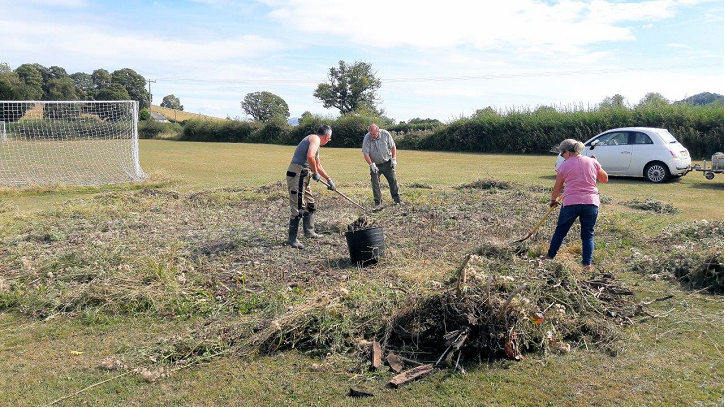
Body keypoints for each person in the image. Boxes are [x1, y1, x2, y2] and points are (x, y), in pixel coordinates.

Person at [545, 139, 609, 269]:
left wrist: (553, 200)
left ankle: (550, 256)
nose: (562, 156)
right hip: (591, 203)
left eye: (562, 154)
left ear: (568, 152)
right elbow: (604, 179)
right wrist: (596, 164)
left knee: (560, 231)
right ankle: (586, 264)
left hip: (571, 202)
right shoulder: (592, 161)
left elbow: (558, 187)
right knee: (588, 235)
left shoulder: (564, 166)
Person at [285, 124, 336, 249]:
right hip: (297, 174)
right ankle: (292, 240)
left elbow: (317, 164)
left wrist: (328, 179)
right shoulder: (315, 138)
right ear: (327, 136)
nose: (329, 140)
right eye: (329, 138)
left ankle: (309, 232)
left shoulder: (315, 143)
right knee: (298, 207)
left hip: (304, 176)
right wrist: (315, 173)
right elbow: (310, 156)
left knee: (310, 204)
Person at [362, 123, 402, 206]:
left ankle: (397, 200)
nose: (372, 136)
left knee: (393, 181)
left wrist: (394, 159)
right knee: (375, 183)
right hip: (375, 164)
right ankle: (378, 202)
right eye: (371, 134)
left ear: (378, 131)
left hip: (387, 163)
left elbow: (393, 146)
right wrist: (371, 165)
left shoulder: (385, 134)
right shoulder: (367, 138)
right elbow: (365, 153)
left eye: (374, 134)